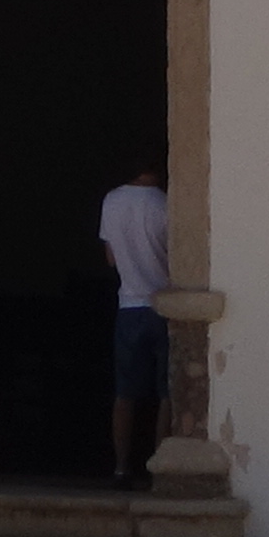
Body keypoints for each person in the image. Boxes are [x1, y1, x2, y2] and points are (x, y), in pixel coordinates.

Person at [99, 155, 173, 485]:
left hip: (129, 305)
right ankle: (160, 468)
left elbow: (111, 258)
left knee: (125, 393)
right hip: (164, 307)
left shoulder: (112, 201)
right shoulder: (166, 204)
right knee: (167, 393)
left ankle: (120, 467)